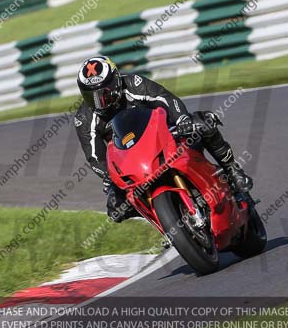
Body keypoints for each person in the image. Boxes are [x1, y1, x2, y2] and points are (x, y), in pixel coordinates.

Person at [73, 55, 253, 222]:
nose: (99, 101)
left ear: (117, 81)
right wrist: (109, 177)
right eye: (91, 96)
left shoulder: (134, 84)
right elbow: (95, 157)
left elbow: (165, 98)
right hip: (131, 161)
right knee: (116, 208)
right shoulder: (84, 119)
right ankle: (164, 223)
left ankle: (231, 170)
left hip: (165, 136)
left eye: (104, 93)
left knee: (203, 123)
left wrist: (182, 119)